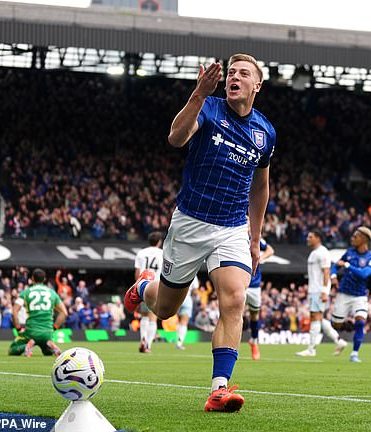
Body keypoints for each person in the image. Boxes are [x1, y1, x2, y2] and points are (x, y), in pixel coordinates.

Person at [124, 53, 276, 412]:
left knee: (235, 299)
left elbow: (260, 188)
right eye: (231, 73)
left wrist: (255, 240)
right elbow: (176, 138)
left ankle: (219, 389)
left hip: (233, 227)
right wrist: (197, 94)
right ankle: (145, 285)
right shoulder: (208, 107)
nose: (234, 78)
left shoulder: (265, 132)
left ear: (257, 85)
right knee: (164, 310)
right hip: (191, 223)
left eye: (243, 74)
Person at [296, 229, 347, 357]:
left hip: (318, 290)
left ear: (318, 238)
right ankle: (338, 341)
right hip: (313, 290)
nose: (308, 239)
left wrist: (325, 291)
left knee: (315, 317)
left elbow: (326, 272)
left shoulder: (323, 252)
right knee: (318, 317)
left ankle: (311, 349)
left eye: (310, 236)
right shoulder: (314, 253)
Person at [330, 226, 371, 363]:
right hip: (343, 294)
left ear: (363, 239)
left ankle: (354, 354)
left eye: (355, 236)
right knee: (336, 325)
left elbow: (364, 274)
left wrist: (347, 266)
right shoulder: (349, 253)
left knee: (360, 323)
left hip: (360, 296)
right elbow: (336, 265)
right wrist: (333, 275)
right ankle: (338, 339)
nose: (352, 238)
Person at [8, 268, 67, 358]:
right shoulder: (52, 293)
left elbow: (14, 311)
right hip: (47, 332)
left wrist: (19, 329)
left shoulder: (26, 292)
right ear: (44, 279)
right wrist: (54, 328)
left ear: (32, 278)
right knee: (46, 352)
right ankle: (49, 345)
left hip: (31, 331)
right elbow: (64, 313)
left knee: (12, 349)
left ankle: (26, 347)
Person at [246, 222, 274, 360]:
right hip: (239, 282)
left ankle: (254, 341)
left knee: (254, 314)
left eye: (249, 224)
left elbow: (270, 250)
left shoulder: (255, 240)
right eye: (246, 224)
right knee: (233, 312)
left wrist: (260, 258)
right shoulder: (234, 237)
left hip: (254, 284)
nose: (248, 227)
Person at [133, 231, 164, 353]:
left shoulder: (141, 253)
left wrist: (138, 287)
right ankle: (148, 346)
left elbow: (137, 272)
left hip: (143, 286)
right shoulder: (162, 253)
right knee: (153, 317)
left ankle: (143, 339)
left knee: (144, 316)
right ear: (159, 242)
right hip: (156, 286)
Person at [176, 275, 200, 350]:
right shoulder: (193, 274)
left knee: (180, 321)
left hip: (177, 297)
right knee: (184, 322)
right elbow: (195, 290)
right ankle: (179, 342)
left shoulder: (178, 270)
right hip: (187, 297)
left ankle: (179, 340)